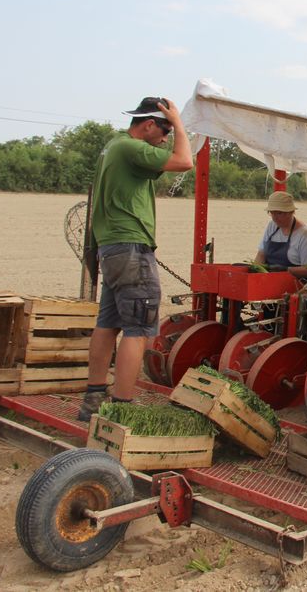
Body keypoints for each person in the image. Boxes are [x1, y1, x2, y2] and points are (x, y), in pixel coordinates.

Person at [77, 97, 194, 422]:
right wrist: (182, 125)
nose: (166, 138)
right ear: (148, 124)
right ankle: (122, 409)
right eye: (165, 129)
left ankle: (93, 400)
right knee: (139, 326)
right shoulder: (131, 148)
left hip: (112, 247)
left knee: (108, 322)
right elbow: (184, 162)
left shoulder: (114, 147)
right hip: (131, 247)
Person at [254, 191, 307, 279]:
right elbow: (261, 254)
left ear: (291, 212)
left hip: (296, 284)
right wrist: (255, 271)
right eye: (272, 213)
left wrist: (286, 270)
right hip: (270, 279)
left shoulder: (306, 234)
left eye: (279, 213)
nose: (275, 217)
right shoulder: (272, 226)